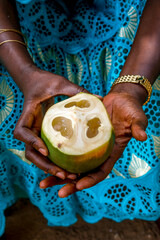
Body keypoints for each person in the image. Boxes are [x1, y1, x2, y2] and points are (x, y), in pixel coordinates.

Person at [0, 0, 160, 236]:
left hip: (138, 29)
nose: (77, 117)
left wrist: (131, 88)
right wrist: (23, 70)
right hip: (21, 30)